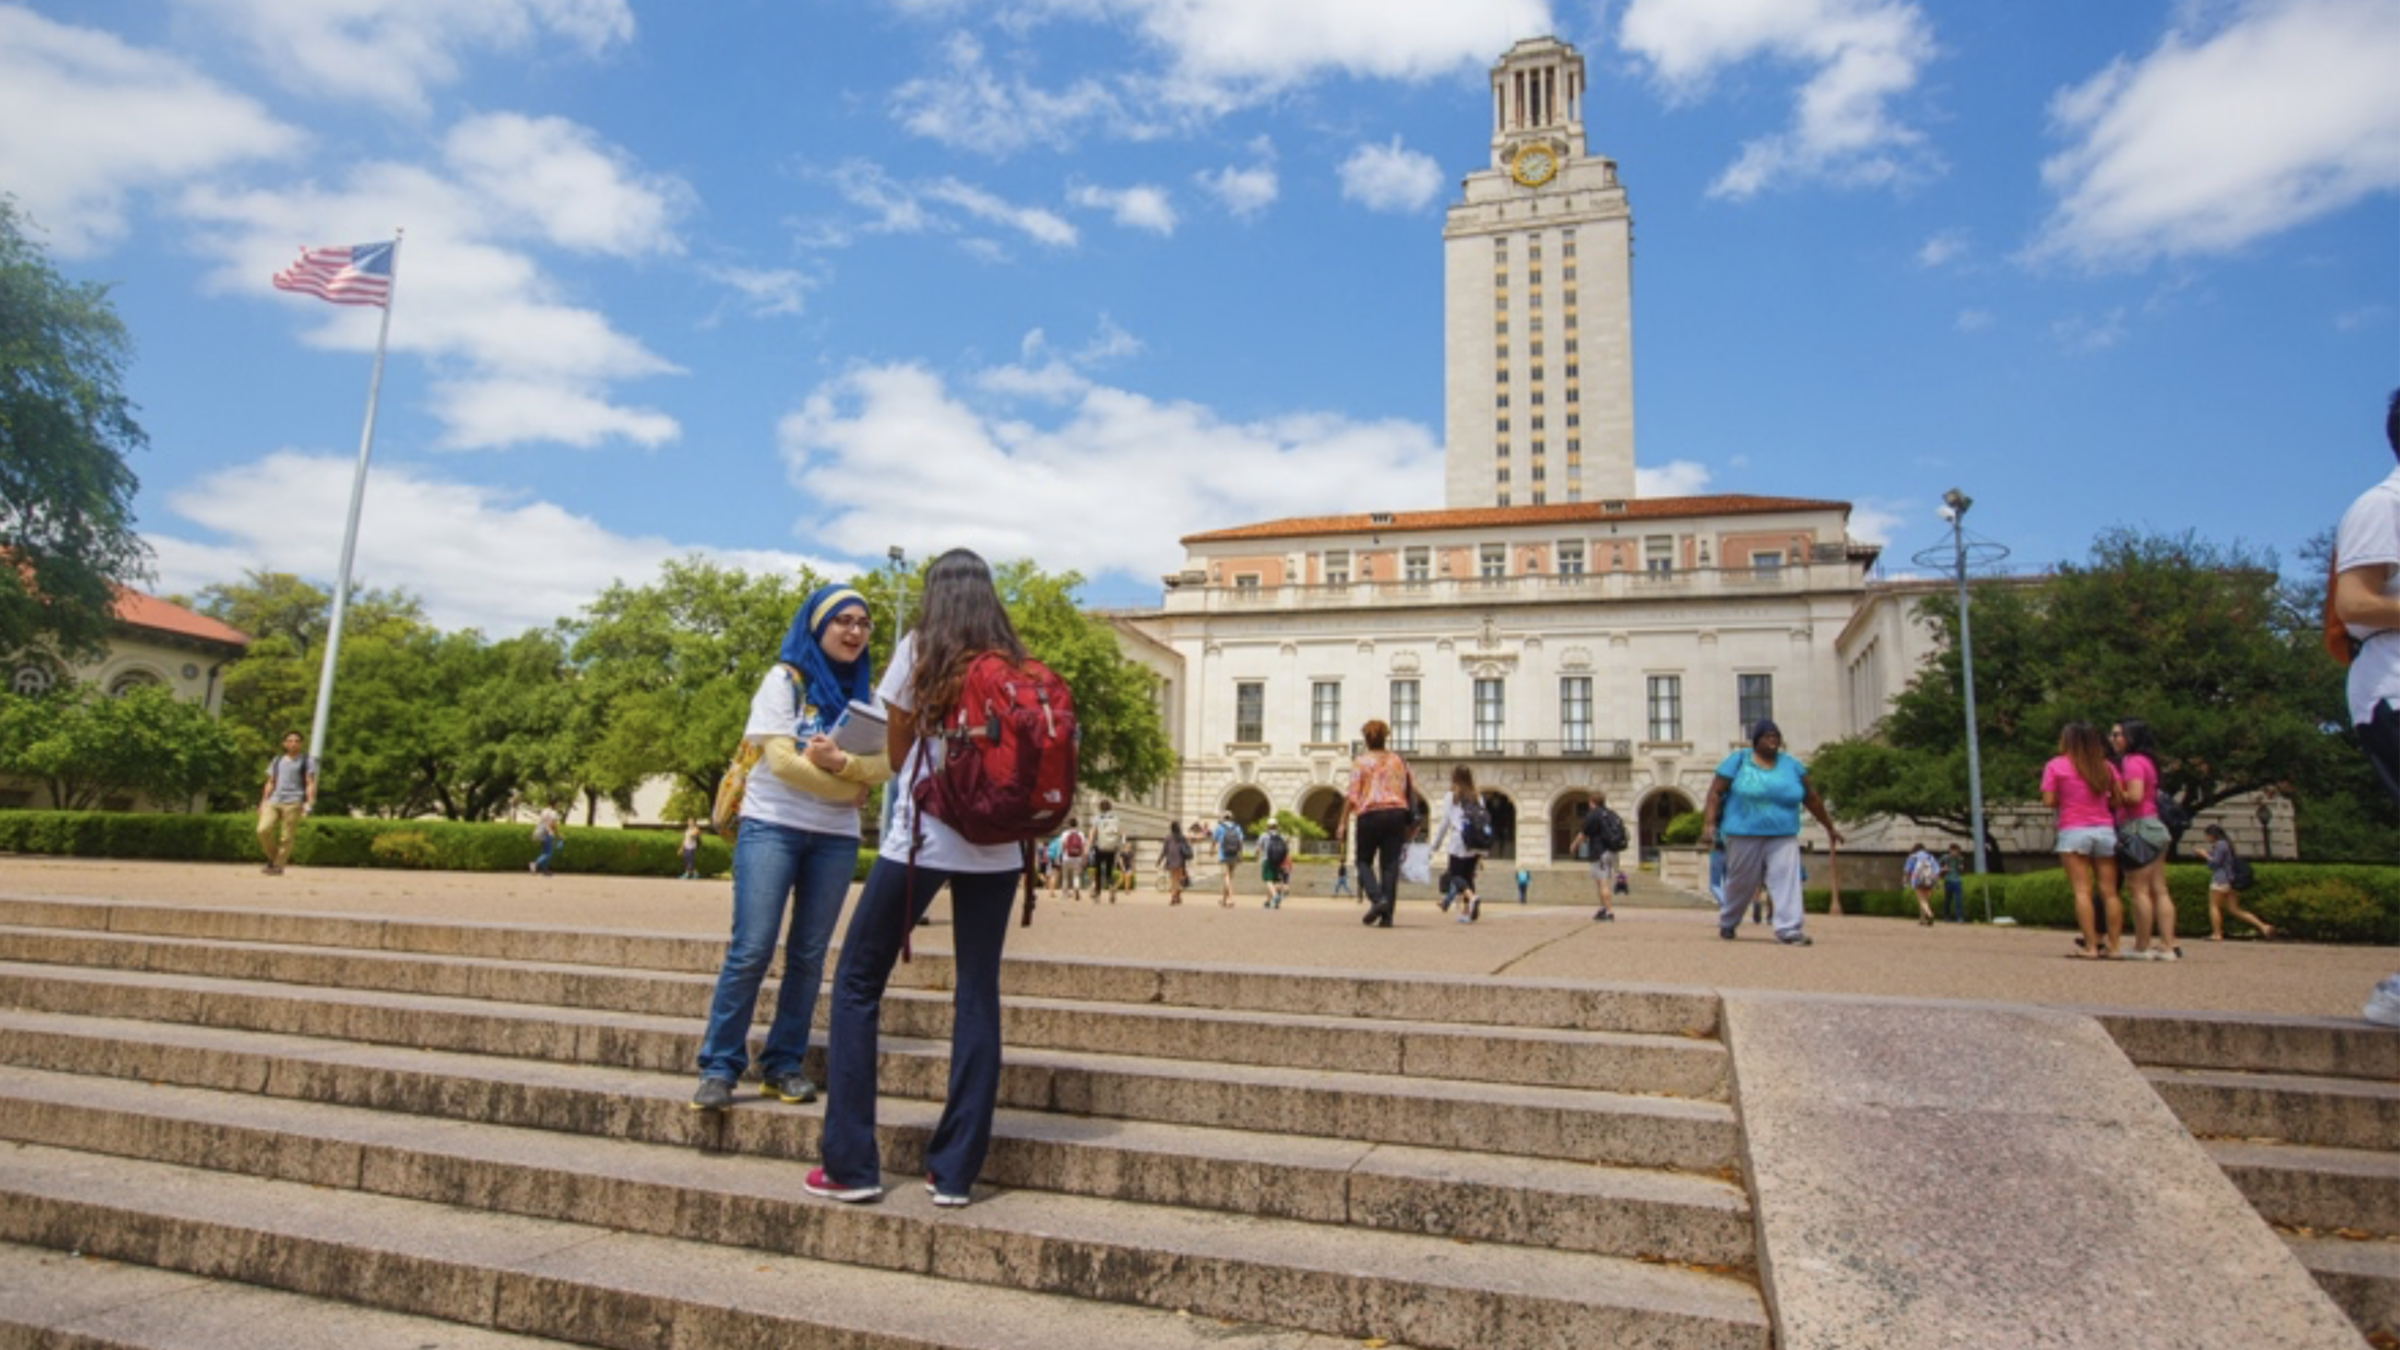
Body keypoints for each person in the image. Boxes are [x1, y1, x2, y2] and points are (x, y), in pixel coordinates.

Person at [809, 550, 1035, 1209]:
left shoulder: (921, 647)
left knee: (856, 982)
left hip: (926, 838)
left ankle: (851, 1165)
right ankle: (955, 1172)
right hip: (999, 848)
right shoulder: (1011, 658)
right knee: (977, 993)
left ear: (936, 593)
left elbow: (899, 749)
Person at [691, 584, 889, 1114]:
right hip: (772, 825)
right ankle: (719, 1065)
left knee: (807, 955)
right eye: (842, 620)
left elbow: (886, 764)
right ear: (816, 627)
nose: (854, 631)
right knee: (752, 948)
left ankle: (783, 1064)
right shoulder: (784, 681)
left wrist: (842, 765)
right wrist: (851, 787)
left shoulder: (866, 698)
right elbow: (780, 762)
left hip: (835, 840)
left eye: (862, 623)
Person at [1700, 720, 1842, 946]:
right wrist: (1708, 825)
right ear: (1756, 740)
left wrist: (1829, 827)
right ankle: (1729, 920)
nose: (1772, 741)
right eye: (1767, 736)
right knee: (1741, 881)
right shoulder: (1738, 761)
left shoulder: (1792, 766)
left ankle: (1789, 929)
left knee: (1787, 879)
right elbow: (1715, 793)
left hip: (1783, 833)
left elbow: (1812, 799)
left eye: (1776, 737)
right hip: (1743, 832)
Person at [2044, 721, 2123, 960]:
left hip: (2073, 829)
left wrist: (2067, 801)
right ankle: (2115, 946)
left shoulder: (2056, 766)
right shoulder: (2105, 766)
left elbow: (2048, 801)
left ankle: (2090, 946)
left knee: (2082, 891)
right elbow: (2118, 799)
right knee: (2109, 892)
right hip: (2104, 829)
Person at [1335, 719, 1415, 928]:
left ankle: (1378, 899)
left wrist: (1342, 823)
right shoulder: (1399, 761)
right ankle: (1387, 916)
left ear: (1366, 739)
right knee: (1390, 866)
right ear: (1385, 737)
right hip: (1396, 813)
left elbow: (1352, 796)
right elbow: (1409, 789)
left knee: (1362, 861)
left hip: (1370, 815)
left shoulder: (1361, 762)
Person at [2111, 719, 2179, 961]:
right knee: (2160, 889)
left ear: (2131, 737)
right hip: (2156, 825)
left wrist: (2115, 791)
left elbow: (2135, 796)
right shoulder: (2149, 762)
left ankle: (2142, 946)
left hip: (2137, 826)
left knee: (2137, 889)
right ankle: (2168, 945)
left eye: (2118, 734)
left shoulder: (2131, 762)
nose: (2113, 738)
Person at [2192, 824, 2274, 942]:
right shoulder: (2226, 844)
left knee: (2214, 906)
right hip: (2230, 880)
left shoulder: (2220, 844)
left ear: (2212, 835)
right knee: (2234, 909)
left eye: (2207, 835)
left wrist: (2204, 855)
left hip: (2220, 880)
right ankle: (2263, 926)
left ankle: (2217, 933)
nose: (2207, 838)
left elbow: (2215, 863)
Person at [1432, 765, 1487, 923]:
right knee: (1468, 877)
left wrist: (1435, 845)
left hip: (1459, 840)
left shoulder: (1451, 796)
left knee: (1455, 876)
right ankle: (1467, 912)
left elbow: (1445, 822)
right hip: (1475, 841)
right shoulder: (1478, 796)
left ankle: (1472, 897)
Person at [256, 730, 315, 876]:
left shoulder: (307, 760)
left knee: (286, 836)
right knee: (262, 830)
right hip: (274, 799)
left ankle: (277, 865)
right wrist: (263, 800)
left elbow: (310, 782)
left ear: (301, 744)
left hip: (294, 800)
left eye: (297, 741)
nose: (293, 743)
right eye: (290, 740)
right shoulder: (277, 760)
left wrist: (309, 802)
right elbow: (270, 781)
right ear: (284, 743)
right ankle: (274, 857)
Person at [1578, 792, 1626, 922]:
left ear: (1592, 801)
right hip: (1612, 852)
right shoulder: (1610, 813)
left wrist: (1573, 844)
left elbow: (1583, 834)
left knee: (1603, 883)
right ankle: (1602, 909)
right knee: (1600, 882)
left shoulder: (1594, 814)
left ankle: (1609, 912)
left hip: (1600, 852)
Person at [1089, 799, 1125, 899]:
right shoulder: (1116, 818)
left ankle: (1097, 892)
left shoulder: (1097, 818)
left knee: (1098, 871)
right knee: (1109, 870)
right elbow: (1121, 833)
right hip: (1111, 848)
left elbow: (1093, 833)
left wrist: (1090, 845)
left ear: (1100, 808)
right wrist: (1121, 845)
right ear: (1110, 808)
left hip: (1100, 847)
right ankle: (1112, 887)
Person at [1903, 843, 1939, 926]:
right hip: (1930, 880)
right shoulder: (1930, 857)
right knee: (1925, 900)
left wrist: (1905, 880)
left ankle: (1930, 914)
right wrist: (1936, 881)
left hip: (1917, 879)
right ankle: (1922, 919)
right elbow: (1936, 870)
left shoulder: (1913, 857)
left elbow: (1907, 870)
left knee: (1922, 900)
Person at [1212, 813, 1244, 907]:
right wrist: (1241, 854)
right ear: (1232, 818)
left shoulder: (1219, 827)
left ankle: (1231, 898)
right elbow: (1241, 841)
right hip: (1234, 855)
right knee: (1229, 878)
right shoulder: (1237, 827)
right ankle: (1224, 899)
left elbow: (1214, 840)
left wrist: (1211, 850)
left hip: (1223, 854)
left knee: (1226, 877)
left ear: (1223, 818)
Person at [1258, 821, 1291, 909]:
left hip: (1267, 860)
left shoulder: (1264, 835)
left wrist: (1256, 856)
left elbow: (1259, 848)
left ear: (1267, 826)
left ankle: (1275, 896)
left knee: (1268, 880)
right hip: (1279, 861)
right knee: (1275, 880)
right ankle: (1269, 902)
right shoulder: (1281, 836)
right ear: (1277, 826)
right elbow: (1286, 849)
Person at [1158, 823, 1192, 905]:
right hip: (1180, 861)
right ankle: (1177, 894)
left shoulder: (1168, 838)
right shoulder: (1181, 837)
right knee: (1179, 879)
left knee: (1173, 880)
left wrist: (1159, 860)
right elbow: (1186, 848)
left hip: (1171, 861)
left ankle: (1174, 897)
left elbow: (1164, 850)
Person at [530, 802, 564, 876]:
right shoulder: (553, 813)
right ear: (555, 805)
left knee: (544, 852)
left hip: (541, 833)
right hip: (548, 833)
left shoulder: (544, 811)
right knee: (548, 853)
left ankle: (545, 871)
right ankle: (535, 863)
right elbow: (553, 824)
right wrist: (558, 834)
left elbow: (540, 822)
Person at [1058, 817, 1088, 896]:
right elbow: (1083, 847)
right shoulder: (1081, 834)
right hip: (1077, 857)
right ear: (1077, 825)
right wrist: (1084, 858)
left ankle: (1065, 893)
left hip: (1066, 857)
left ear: (1069, 825)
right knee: (1076, 876)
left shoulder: (1065, 834)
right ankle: (1076, 888)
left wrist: (1059, 856)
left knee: (1065, 876)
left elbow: (1062, 846)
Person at [1941, 843, 1966, 923]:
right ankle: (1946, 916)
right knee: (1948, 899)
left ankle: (1959, 917)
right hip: (1948, 880)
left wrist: (1961, 868)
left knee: (1958, 899)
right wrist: (1943, 869)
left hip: (1957, 880)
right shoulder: (1945, 858)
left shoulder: (1960, 858)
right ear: (1950, 851)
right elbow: (1937, 867)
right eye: (1954, 851)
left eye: (1957, 852)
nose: (1955, 853)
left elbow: (1962, 869)